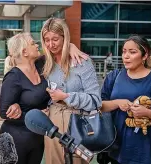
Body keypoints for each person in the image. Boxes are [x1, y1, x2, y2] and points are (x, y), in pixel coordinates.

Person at [0, 32, 88, 164]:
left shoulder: (41, 65)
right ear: (24, 52)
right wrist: (34, 117)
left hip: (38, 136)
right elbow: (3, 112)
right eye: (33, 43)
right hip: (17, 138)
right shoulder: (13, 77)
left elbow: (57, 49)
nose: (37, 45)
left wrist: (71, 46)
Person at [100, 35, 151, 164]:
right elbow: (100, 106)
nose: (125, 56)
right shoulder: (114, 77)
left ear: (145, 55)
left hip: (144, 151)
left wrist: (148, 113)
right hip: (115, 148)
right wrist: (117, 103)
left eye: (132, 52)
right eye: (124, 51)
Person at [41, 18, 102, 164]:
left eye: (55, 39)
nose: (51, 44)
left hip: (78, 124)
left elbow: (96, 101)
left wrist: (67, 96)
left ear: (65, 37)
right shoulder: (46, 63)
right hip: (53, 125)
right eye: (47, 40)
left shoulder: (82, 62)